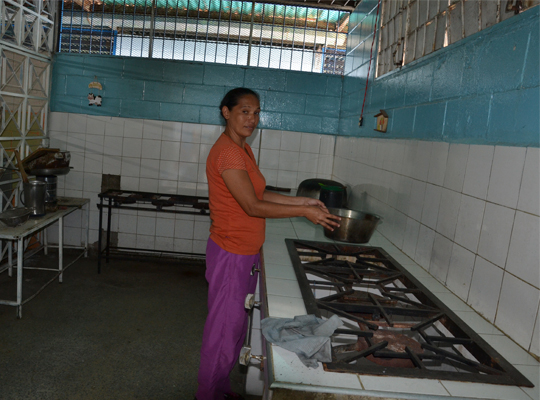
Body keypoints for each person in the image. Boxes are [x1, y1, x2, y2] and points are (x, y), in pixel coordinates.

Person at [196, 88, 340, 400]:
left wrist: (302, 200)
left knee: (233, 329)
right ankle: (206, 395)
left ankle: (219, 390)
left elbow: (260, 194)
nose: (252, 119)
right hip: (231, 252)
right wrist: (303, 211)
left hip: (244, 252)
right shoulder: (229, 153)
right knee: (222, 331)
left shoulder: (243, 149)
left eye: (257, 112)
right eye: (244, 111)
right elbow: (252, 206)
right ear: (226, 112)